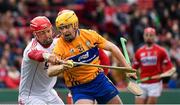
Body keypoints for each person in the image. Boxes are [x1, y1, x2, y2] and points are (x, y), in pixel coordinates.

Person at [48, 9, 136, 104]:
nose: (64, 31)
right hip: (80, 88)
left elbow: (112, 48)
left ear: (75, 25)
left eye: (67, 27)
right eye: (61, 28)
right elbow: (50, 71)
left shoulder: (90, 35)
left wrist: (127, 68)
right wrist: (63, 67)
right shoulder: (59, 47)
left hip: (99, 81)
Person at [18, 16, 65, 105]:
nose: (47, 35)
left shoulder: (57, 42)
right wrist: (48, 56)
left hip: (49, 93)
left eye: (48, 31)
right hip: (30, 96)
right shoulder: (31, 48)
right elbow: (36, 54)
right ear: (35, 34)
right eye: (42, 33)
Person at [132, 27, 175, 104]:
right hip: (142, 82)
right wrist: (130, 73)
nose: (148, 37)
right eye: (147, 35)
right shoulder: (139, 52)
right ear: (144, 36)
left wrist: (164, 76)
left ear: (155, 36)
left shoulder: (161, 51)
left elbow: (169, 66)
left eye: (151, 35)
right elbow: (134, 68)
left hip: (155, 83)